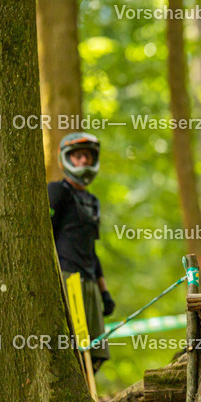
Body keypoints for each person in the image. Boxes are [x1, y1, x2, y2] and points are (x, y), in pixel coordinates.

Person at [49, 132, 115, 371]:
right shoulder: (57, 192)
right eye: (78, 156)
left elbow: (91, 250)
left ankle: (88, 399)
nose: (84, 161)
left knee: (96, 352)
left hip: (89, 284)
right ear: (66, 159)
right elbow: (45, 238)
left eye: (87, 156)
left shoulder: (92, 201)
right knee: (76, 349)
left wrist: (104, 292)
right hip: (69, 281)